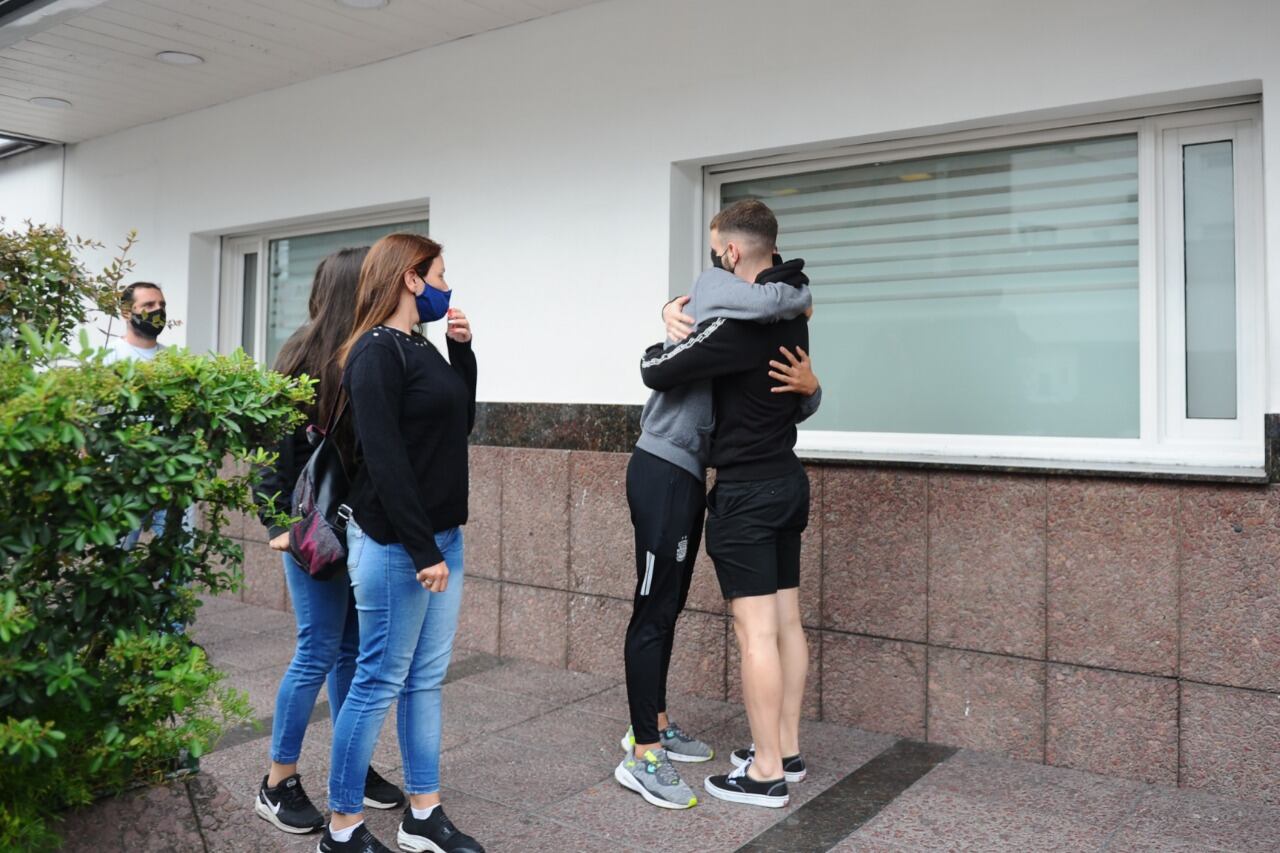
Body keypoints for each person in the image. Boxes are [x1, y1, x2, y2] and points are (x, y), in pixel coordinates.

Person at [615, 244, 820, 810]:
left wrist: (812, 387)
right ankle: (644, 749)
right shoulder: (730, 310)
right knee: (656, 607)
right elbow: (654, 368)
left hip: (711, 473)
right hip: (665, 465)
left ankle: (658, 724)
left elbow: (780, 394)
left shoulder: (755, 321)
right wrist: (669, 324)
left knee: (672, 606)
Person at [320, 234, 483, 853]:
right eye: (441, 273)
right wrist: (423, 552)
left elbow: (457, 423)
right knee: (377, 681)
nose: (448, 284)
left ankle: (422, 813)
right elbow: (386, 462)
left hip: (439, 538)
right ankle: (340, 829)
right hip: (398, 546)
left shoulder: (417, 345)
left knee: (424, 680)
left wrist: (462, 353)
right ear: (411, 279)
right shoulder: (372, 353)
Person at [250, 248, 406, 835]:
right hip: (312, 532)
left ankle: (351, 763)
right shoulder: (302, 356)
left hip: (358, 527)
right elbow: (272, 453)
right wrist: (277, 526)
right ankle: (277, 780)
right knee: (318, 648)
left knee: (351, 650)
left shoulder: (368, 350)